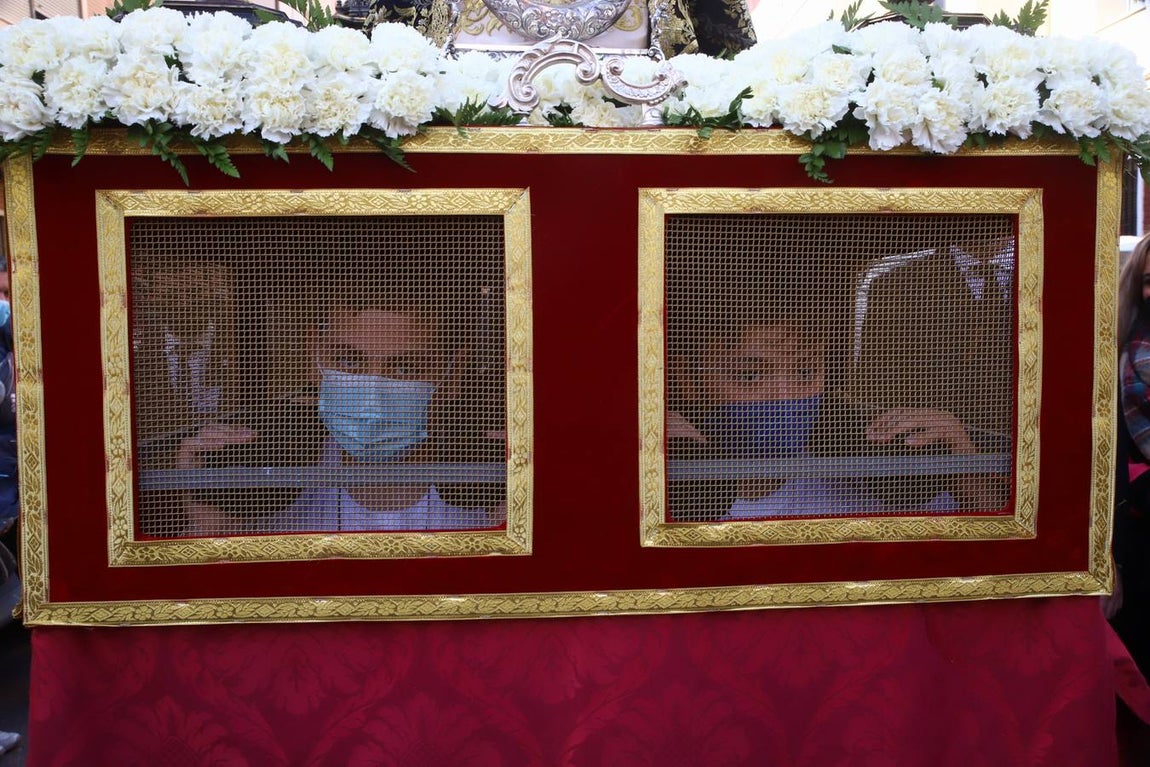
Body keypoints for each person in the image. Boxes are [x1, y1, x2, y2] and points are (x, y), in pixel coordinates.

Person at [175, 282, 504, 535]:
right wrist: (199, 497)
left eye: (405, 368)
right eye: (347, 361)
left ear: (452, 374)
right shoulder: (273, 485)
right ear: (314, 359)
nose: (372, 396)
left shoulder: (481, 490)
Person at [666, 293, 1006, 521]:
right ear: (687, 378)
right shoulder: (683, 493)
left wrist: (962, 455)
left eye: (805, 371)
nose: (786, 396)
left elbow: (1002, 554)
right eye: (751, 375)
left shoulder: (864, 479)